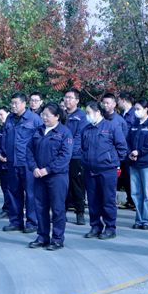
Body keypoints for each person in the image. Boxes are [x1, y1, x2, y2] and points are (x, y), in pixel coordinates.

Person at [26, 103, 73, 250]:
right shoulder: (38, 131)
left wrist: (48, 169)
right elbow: (29, 151)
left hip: (57, 177)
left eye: (47, 115)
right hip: (39, 175)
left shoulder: (64, 133)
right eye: (43, 115)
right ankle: (42, 237)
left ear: (57, 116)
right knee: (40, 207)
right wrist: (34, 168)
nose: (44, 118)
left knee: (57, 208)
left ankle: (57, 239)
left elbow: (65, 156)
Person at [81, 101, 128, 240]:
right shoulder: (86, 129)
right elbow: (83, 147)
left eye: (89, 113)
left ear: (98, 112)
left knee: (108, 200)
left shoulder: (111, 126)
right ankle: (95, 226)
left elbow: (122, 147)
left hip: (107, 170)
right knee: (93, 200)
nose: (87, 115)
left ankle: (110, 228)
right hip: (90, 169)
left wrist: (113, 162)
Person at [1, 93, 44, 233]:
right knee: (14, 192)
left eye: (16, 103)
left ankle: (32, 223)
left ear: (24, 104)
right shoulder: (9, 118)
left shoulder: (34, 119)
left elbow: (41, 140)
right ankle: (15, 222)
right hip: (12, 162)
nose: (13, 106)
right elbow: (5, 137)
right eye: (12, 103)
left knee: (31, 194)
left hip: (27, 163)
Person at [127, 99, 148, 229]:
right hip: (134, 163)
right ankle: (139, 219)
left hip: (147, 163)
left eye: (138, 109)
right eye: (135, 109)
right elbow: (128, 141)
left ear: (146, 109)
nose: (136, 112)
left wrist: (139, 152)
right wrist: (130, 153)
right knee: (136, 193)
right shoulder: (134, 124)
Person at [63, 88, 89, 225]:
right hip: (62, 156)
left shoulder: (81, 116)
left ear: (77, 101)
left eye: (70, 97)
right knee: (62, 186)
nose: (67, 100)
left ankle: (80, 213)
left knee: (77, 185)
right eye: (65, 97)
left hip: (75, 156)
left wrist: (69, 152)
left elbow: (79, 137)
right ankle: (61, 213)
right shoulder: (61, 114)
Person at [101, 93, 131, 210]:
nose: (105, 105)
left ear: (114, 104)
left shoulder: (119, 121)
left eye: (108, 103)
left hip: (113, 160)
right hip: (100, 159)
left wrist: (118, 159)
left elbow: (123, 142)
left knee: (112, 187)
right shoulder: (99, 118)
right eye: (104, 103)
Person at [0, 106, 12, 220]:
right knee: (4, 187)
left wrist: (8, 156)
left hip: (11, 162)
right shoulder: (0, 130)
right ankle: (7, 208)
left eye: (2, 114)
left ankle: (12, 209)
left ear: (8, 114)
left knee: (12, 187)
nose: (0, 117)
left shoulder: (12, 127)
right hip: (1, 162)